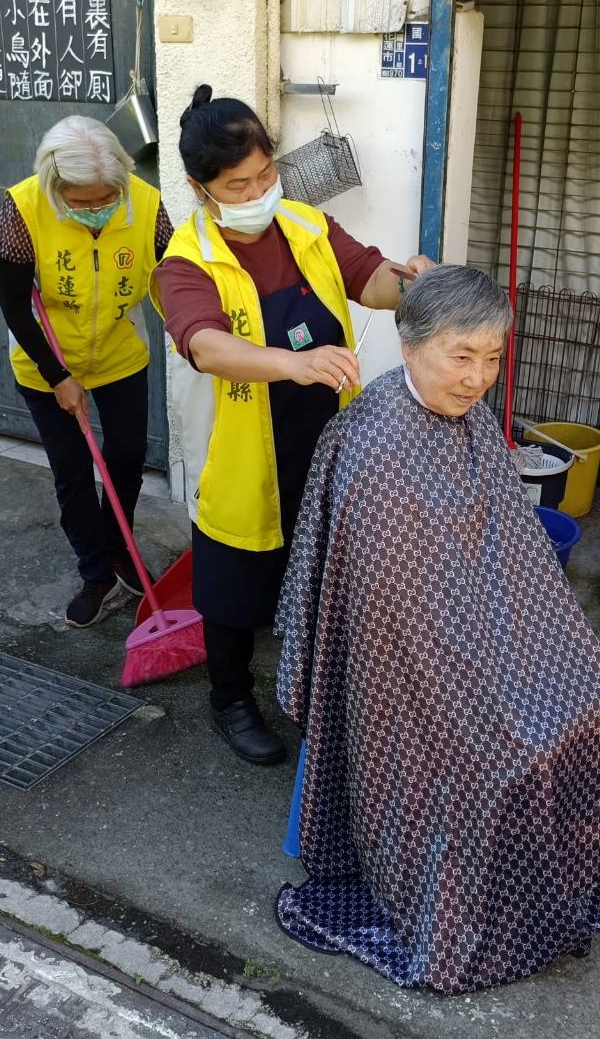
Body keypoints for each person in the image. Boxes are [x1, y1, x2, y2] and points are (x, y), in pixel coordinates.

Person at [274, 265, 600, 993]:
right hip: (406, 664)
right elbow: (389, 609)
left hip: (481, 639)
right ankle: (466, 904)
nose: (477, 379)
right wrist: (488, 675)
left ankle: (540, 882)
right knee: (509, 748)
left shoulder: (466, 420)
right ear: (408, 348)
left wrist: (521, 647)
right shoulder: (372, 444)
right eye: (459, 356)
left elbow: (513, 558)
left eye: (493, 357)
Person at [151, 85, 432, 766]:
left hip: (325, 439)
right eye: (239, 183)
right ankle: (231, 698)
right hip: (241, 452)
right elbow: (207, 344)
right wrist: (291, 362)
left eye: (267, 174)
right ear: (200, 188)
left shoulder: (306, 226)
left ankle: (316, 689)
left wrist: (417, 281)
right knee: (232, 582)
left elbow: (370, 281)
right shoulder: (185, 263)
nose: (258, 190)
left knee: (322, 573)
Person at [0, 116, 172, 627]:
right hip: (46, 358)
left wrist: (196, 335)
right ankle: (95, 571)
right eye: (82, 200)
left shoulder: (145, 202)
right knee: (72, 470)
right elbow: (13, 305)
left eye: (105, 198)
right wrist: (58, 376)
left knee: (128, 455)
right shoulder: (23, 207)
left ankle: (120, 550)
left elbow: (173, 274)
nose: (97, 208)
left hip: (119, 351)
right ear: (55, 187)